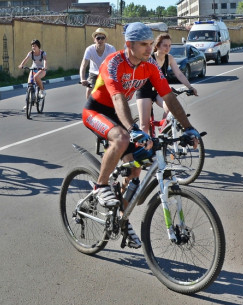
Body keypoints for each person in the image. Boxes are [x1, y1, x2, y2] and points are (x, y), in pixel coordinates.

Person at [82, 22, 200, 249]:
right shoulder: (113, 63)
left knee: (138, 164)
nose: (149, 48)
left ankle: (121, 218)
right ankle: (100, 186)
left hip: (118, 115)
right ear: (129, 44)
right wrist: (134, 130)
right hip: (96, 110)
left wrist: (188, 127)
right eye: (144, 44)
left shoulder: (150, 66)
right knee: (122, 138)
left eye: (150, 44)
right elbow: (117, 99)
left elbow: (169, 97)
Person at [136, 33, 198, 134]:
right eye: (165, 45)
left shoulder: (169, 58)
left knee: (170, 109)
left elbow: (179, 74)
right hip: (144, 91)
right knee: (144, 125)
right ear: (157, 46)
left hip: (159, 91)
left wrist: (190, 87)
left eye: (169, 45)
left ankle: (163, 132)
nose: (168, 48)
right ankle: (142, 147)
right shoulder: (149, 59)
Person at [79, 28, 116, 100]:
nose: (100, 40)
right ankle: (89, 108)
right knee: (89, 88)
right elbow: (83, 65)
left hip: (106, 73)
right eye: (98, 38)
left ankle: (112, 108)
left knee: (112, 90)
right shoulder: (89, 49)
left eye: (102, 38)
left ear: (106, 39)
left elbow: (115, 64)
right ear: (94, 39)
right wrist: (82, 79)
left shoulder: (111, 49)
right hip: (94, 73)